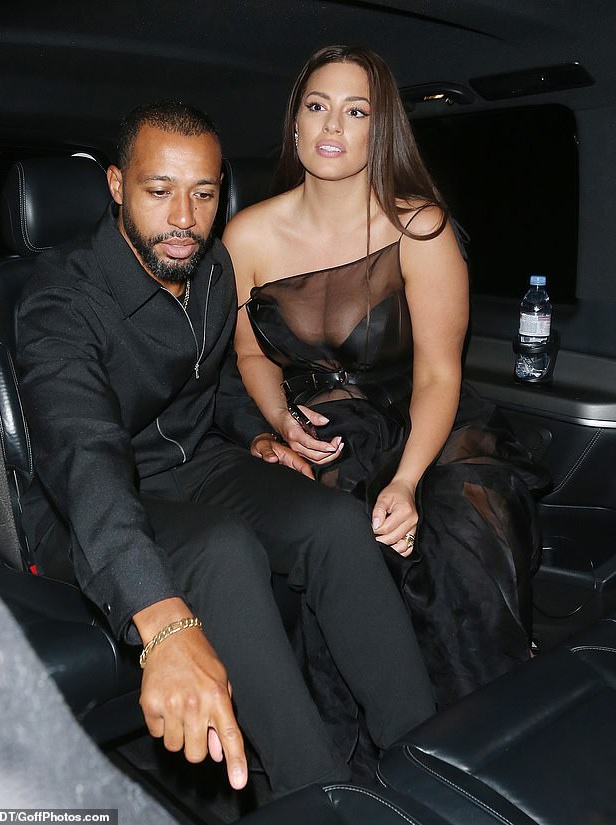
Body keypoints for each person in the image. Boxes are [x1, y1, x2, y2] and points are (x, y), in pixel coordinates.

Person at [16, 101, 436, 798]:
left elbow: (213, 385)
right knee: (221, 547)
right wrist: (163, 619)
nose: (184, 217)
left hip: (192, 463)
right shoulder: (58, 300)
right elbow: (83, 458)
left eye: (203, 193)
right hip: (77, 508)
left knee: (333, 522)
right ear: (117, 186)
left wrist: (261, 434)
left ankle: (430, 761)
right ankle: (317, 794)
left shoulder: (208, 271)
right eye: (159, 191)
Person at [224, 46, 548, 715]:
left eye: (355, 110)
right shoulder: (246, 236)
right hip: (325, 426)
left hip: (428, 419)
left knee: (463, 529)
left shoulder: (418, 227)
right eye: (317, 106)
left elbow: (438, 371)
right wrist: (281, 419)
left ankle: (481, 735)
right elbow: (251, 357)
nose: (332, 125)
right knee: (339, 540)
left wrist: (406, 481)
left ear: (380, 130)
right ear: (295, 126)